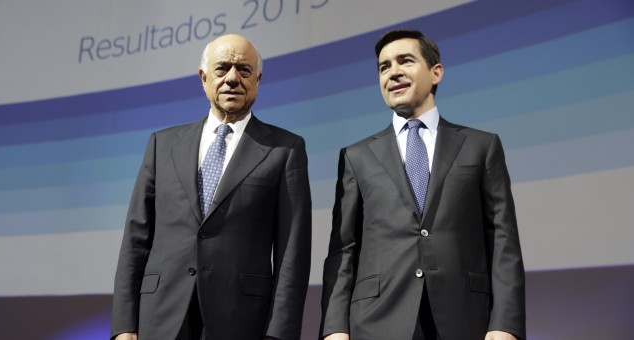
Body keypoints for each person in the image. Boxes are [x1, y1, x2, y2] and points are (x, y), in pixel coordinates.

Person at [319, 30, 525, 340]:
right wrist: (334, 328)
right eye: (384, 67)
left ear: (436, 73)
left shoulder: (480, 147)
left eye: (405, 61)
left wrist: (505, 323)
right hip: (377, 322)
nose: (394, 72)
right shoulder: (356, 156)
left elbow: (503, 241)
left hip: (464, 319)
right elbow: (343, 250)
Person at [111, 34, 312, 340]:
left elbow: (292, 253)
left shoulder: (285, 149)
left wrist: (280, 333)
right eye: (222, 69)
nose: (233, 78)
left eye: (244, 70)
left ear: (258, 80)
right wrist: (125, 327)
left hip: (241, 321)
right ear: (203, 78)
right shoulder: (161, 145)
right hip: (162, 319)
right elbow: (136, 240)